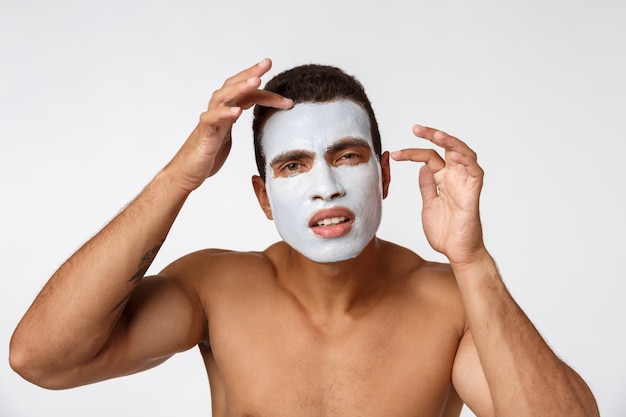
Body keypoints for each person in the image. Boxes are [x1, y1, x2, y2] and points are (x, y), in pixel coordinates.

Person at [10, 58, 599, 417]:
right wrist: (180, 177)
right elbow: (42, 359)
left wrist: (471, 261)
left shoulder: (449, 303)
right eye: (292, 165)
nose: (326, 187)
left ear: (385, 176)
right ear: (264, 197)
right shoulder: (217, 289)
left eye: (347, 156)